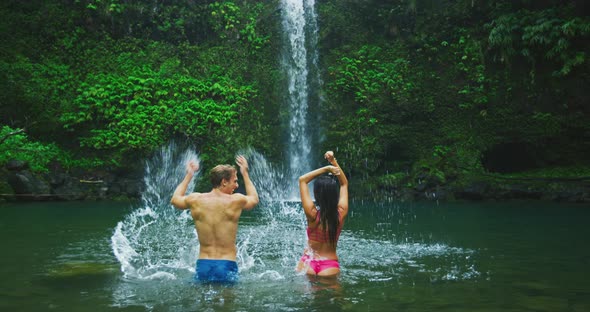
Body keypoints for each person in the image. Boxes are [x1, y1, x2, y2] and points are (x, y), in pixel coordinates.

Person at [170, 155, 259, 283]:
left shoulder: (196, 199)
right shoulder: (236, 200)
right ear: (224, 182)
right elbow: (254, 199)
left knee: (203, 301)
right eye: (234, 181)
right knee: (228, 301)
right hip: (226, 265)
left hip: (203, 265)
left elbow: (175, 199)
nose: (237, 185)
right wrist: (245, 173)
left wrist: (189, 175)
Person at [297, 151, 348, 277]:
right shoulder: (341, 213)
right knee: (335, 296)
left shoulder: (312, 214)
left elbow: (302, 180)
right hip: (329, 264)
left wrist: (326, 169)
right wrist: (333, 162)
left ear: (317, 195)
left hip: (308, 262)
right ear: (335, 195)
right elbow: (344, 184)